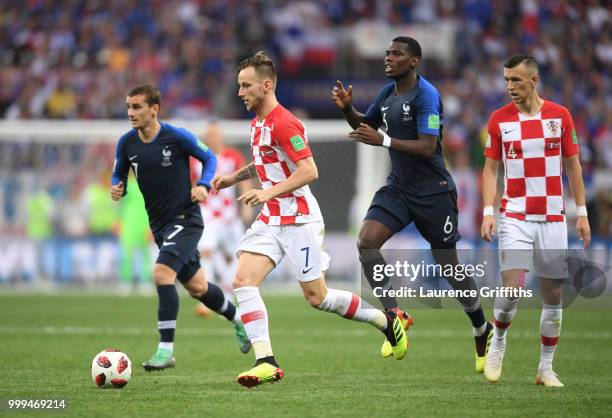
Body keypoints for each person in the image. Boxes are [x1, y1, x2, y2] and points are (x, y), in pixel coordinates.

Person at [212, 51, 407, 388]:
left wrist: (267, 193)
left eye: (246, 86)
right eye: (239, 86)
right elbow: (266, 163)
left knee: (318, 298)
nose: (240, 92)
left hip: (299, 219)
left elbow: (309, 170)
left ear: (266, 85)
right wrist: (233, 177)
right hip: (271, 218)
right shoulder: (257, 123)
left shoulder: (284, 122)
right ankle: (266, 361)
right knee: (243, 281)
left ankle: (386, 321)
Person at [332, 36, 492, 372]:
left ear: (414, 61)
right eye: (387, 52)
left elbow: (427, 145)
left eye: (396, 53)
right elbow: (366, 127)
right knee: (366, 242)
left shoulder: (427, 96)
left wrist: (385, 140)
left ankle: (481, 326)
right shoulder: (387, 94)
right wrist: (348, 108)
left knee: (448, 267)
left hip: (433, 192)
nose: (388, 57)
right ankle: (394, 313)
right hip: (399, 189)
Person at [110, 85, 251, 372]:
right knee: (198, 287)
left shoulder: (177, 137)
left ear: (154, 109)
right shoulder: (126, 143)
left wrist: (202, 185)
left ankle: (166, 350)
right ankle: (238, 319)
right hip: (160, 226)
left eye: (137, 107)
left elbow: (209, 158)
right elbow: (119, 172)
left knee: (162, 275)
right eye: (128, 107)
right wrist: (118, 188)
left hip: (186, 220)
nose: (131, 113)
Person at [481, 54, 591, 387]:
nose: (509, 87)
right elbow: (490, 168)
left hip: (552, 218)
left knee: (553, 296)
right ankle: (498, 341)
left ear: (533, 80)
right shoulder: (499, 120)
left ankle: (545, 368)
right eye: (505, 80)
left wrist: (582, 213)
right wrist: (488, 211)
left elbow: (573, 166)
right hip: (514, 216)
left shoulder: (561, 116)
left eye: (515, 80)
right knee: (512, 287)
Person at [190, 122, 253, 318]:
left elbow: (244, 181)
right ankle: (208, 298)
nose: (214, 138)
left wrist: (245, 206)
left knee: (238, 256)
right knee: (206, 250)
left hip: (229, 215)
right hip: (207, 212)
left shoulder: (233, 157)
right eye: (210, 135)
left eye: (216, 134)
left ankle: (225, 293)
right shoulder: (196, 160)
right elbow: (191, 184)